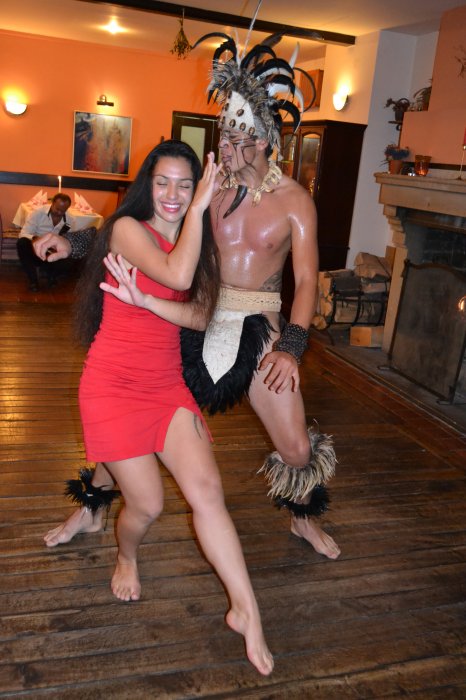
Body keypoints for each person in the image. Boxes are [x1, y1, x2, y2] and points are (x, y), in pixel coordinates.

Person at [35, 34, 340, 560]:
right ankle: (90, 508)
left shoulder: (295, 202)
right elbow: (140, 225)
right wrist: (74, 244)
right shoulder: (206, 189)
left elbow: (308, 281)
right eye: (226, 133)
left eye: (240, 136)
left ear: (265, 138)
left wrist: (291, 347)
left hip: (261, 327)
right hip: (195, 318)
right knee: (136, 419)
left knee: (295, 447)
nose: (228, 145)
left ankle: (303, 519)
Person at [43, 140, 273, 676]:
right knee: (147, 505)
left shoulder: (200, 241)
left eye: (186, 185)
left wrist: (145, 301)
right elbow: (176, 276)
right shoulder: (129, 229)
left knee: (208, 491)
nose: (173, 194)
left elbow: (200, 315)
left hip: (165, 385)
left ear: (196, 188)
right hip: (112, 384)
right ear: (148, 184)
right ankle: (126, 554)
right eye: (163, 182)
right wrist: (198, 211)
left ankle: (247, 610)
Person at [17, 193, 77, 291]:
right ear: (52, 203)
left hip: (54, 252)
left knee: (74, 253)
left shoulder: (70, 219)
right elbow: (23, 233)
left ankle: (52, 275)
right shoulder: (38, 213)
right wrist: (37, 239)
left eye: (63, 211)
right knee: (22, 243)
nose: (59, 213)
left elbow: (70, 240)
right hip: (36, 248)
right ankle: (33, 280)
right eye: (57, 209)